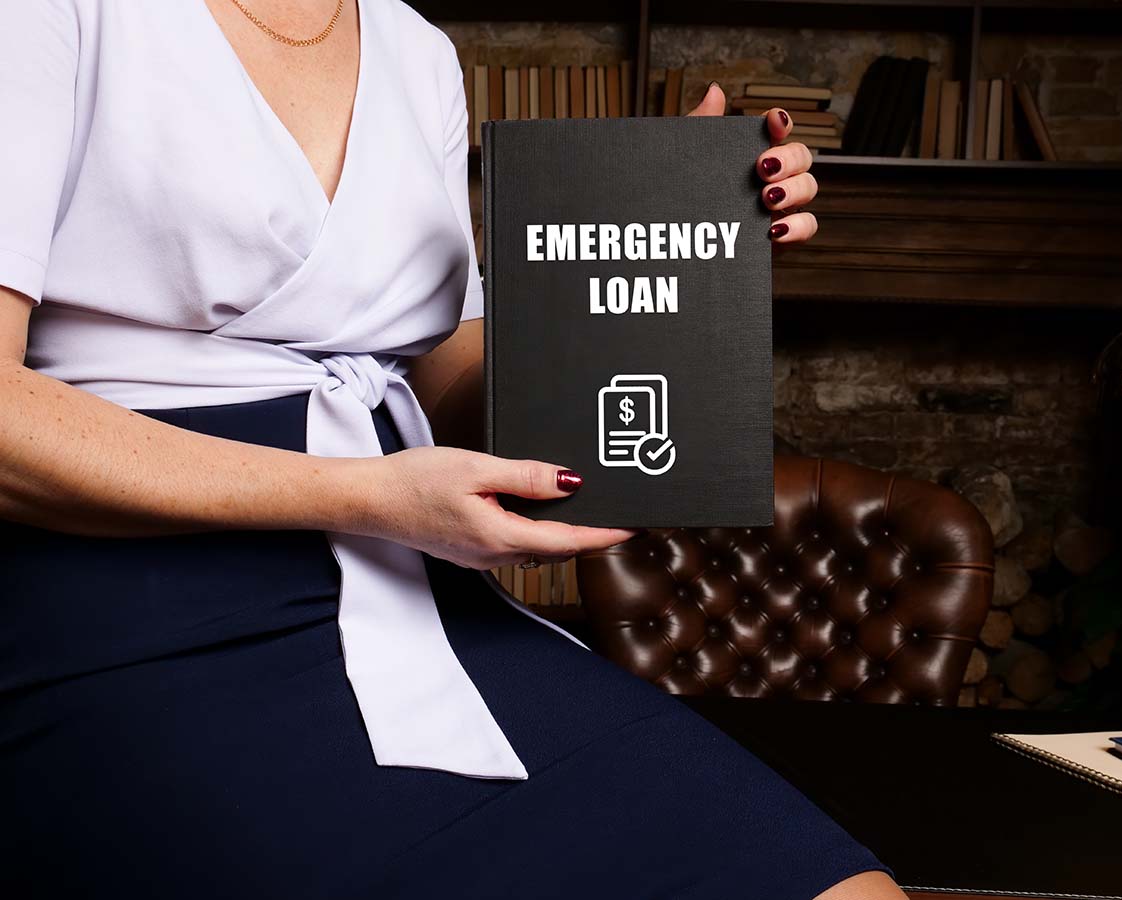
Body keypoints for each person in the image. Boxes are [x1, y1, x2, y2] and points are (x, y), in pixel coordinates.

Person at [0, 2, 904, 897]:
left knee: (848, 893)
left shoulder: (413, 46)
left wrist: (665, 245)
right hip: (130, 617)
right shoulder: (55, 14)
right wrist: (361, 496)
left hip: (414, 602)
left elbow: (454, 387)